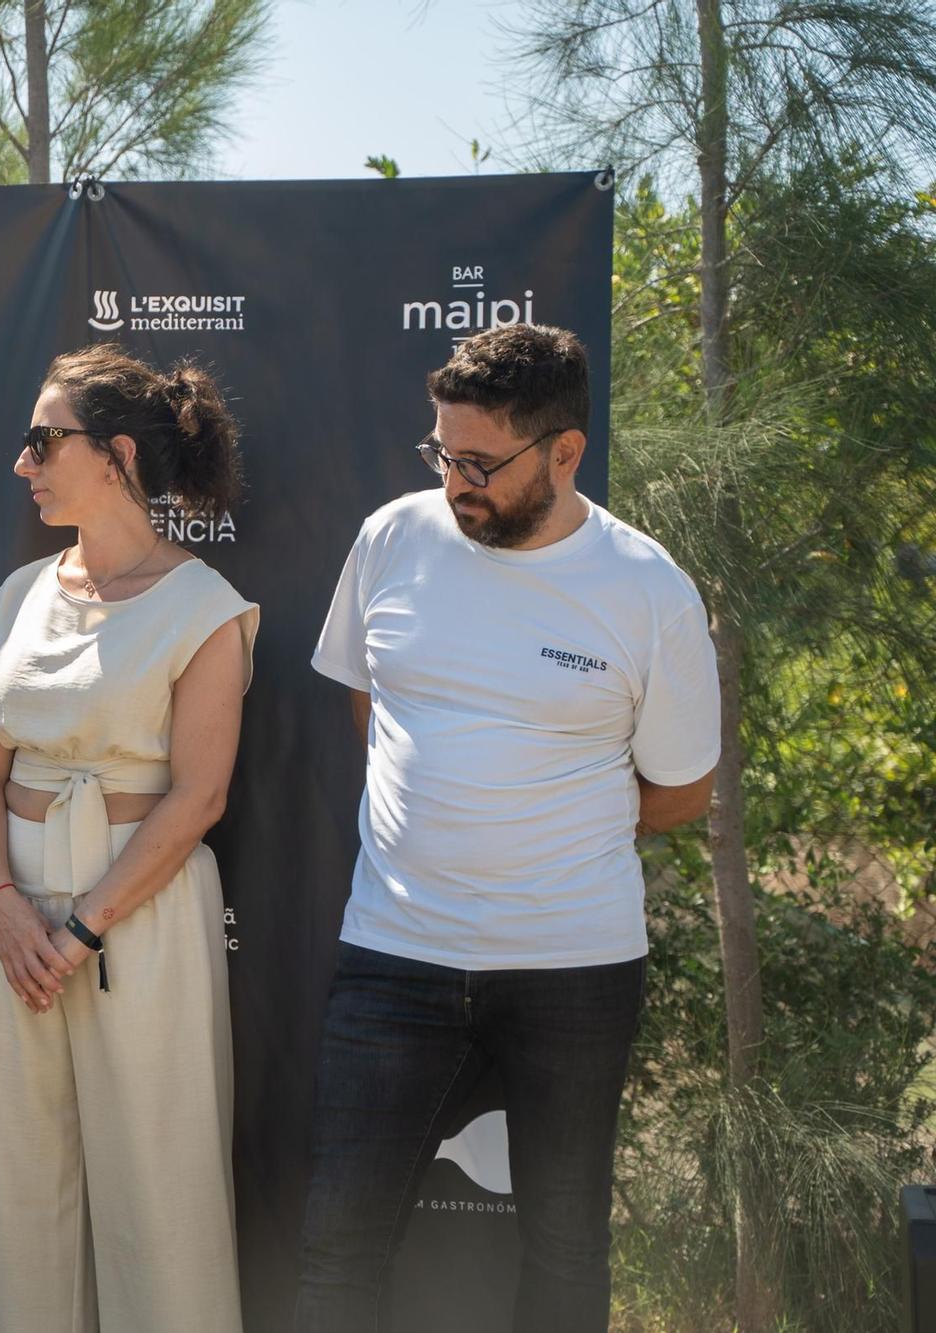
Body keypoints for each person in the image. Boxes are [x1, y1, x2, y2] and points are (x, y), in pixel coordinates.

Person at [295, 323, 720, 1330]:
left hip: (571, 967)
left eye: (479, 462)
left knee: (564, 1245)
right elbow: (372, 704)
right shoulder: (389, 536)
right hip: (391, 954)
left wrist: (537, 840)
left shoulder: (645, 588)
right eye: (441, 453)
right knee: (336, 1244)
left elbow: (677, 794)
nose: (453, 481)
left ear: (564, 453)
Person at [0, 343, 258, 1333]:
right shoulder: (18, 595)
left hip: (137, 923)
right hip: (9, 927)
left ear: (115, 452)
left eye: (43, 441)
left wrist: (82, 929)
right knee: (14, 1186)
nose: (21, 463)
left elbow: (198, 798)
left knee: (154, 1194)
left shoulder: (206, 606)